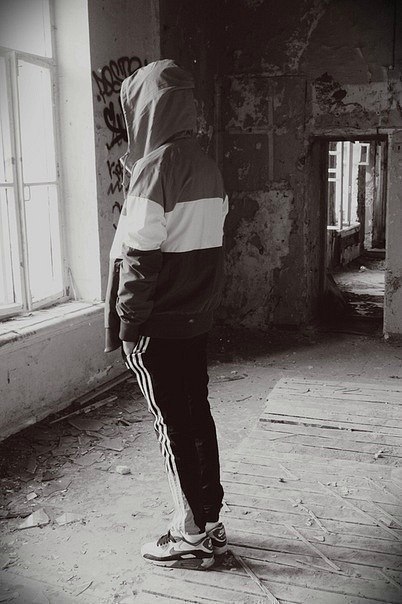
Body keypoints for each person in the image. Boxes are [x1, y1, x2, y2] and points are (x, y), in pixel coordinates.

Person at [104, 59, 228, 569]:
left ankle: (190, 531)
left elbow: (140, 255)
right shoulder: (206, 164)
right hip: (195, 318)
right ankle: (211, 522)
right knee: (197, 415)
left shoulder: (154, 169)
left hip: (158, 322)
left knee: (170, 423)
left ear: (145, 110)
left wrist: (129, 324)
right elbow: (203, 245)